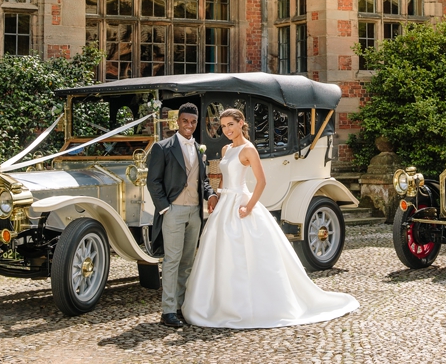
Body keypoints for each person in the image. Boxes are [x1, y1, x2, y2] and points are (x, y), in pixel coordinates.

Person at [183, 108, 358, 329]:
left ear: (241, 123)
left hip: (241, 203)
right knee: (218, 254)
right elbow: (224, 180)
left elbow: (261, 182)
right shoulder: (227, 149)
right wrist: (216, 196)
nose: (227, 129)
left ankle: (250, 305)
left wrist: (249, 206)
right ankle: (215, 303)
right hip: (224, 204)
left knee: (245, 253)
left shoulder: (248, 150)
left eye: (231, 125)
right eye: (224, 125)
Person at [146, 102, 219, 330]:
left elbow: (203, 180)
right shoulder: (163, 147)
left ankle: (180, 307)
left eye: (193, 122)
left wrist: (210, 195)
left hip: (195, 212)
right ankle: (167, 311)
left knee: (187, 262)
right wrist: (166, 208)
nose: (189, 125)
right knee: (171, 261)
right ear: (178, 121)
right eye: (185, 121)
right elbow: (153, 181)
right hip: (174, 211)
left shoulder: (199, 148)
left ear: (197, 124)